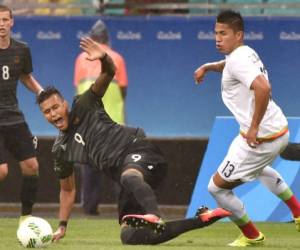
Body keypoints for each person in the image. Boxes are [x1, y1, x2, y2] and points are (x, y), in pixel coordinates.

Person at [37, 37, 232, 245]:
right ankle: (200, 220)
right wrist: (62, 225)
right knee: (130, 235)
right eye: (47, 112)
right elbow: (67, 189)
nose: (53, 114)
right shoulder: (61, 149)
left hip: (140, 150)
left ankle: (154, 215)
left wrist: (103, 57)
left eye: (55, 107)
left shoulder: (85, 103)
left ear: (65, 104)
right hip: (126, 179)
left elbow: (109, 72)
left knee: (129, 176)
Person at [194, 10, 300, 247]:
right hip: (279, 130)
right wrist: (208, 67)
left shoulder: (239, 58)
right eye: (216, 33)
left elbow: (263, 88)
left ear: (238, 35)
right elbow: (229, 66)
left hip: (259, 138)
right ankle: (298, 211)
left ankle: (252, 236)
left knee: (217, 188)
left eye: (223, 33)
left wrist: (253, 128)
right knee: (260, 169)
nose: (217, 38)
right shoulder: (243, 53)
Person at [73, 19, 128, 215]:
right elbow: (123, 91)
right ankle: (124, 209)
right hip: (113, 123)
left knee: (90, 169)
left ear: (92, 38)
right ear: (107, 39)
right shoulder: (118, 58)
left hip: (88, 123)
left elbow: (78, 91)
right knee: (118, 168)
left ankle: (90, 209)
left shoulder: (80, 59)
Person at [0, 5, 43, 221]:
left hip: (13, 117)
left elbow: (25, 77)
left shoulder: (21, 49)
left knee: (31, 167)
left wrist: (42, 93)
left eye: (4, 20)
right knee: (2, 171)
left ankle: (26, 220)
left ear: (11, 22)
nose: (1, 24)